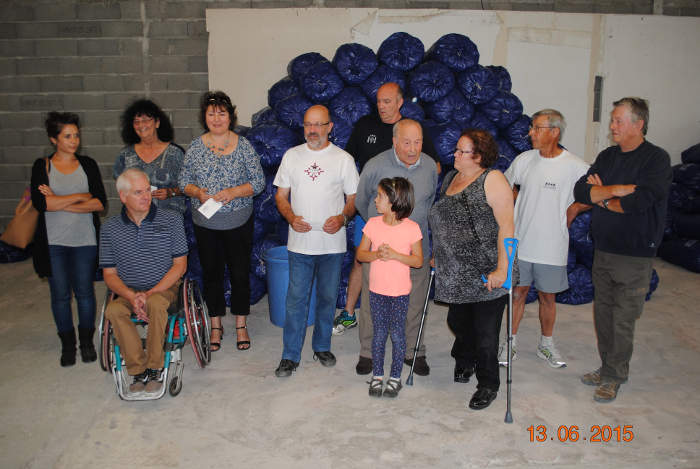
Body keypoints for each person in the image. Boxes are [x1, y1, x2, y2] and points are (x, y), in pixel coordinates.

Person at [573, 97, 671, 403]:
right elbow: (580, 190)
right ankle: (605, 367)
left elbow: (640, 202)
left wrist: (599, 194)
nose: (612, 126)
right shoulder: (608, 156)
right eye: (613, 120)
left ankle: (615, 375)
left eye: (618, 120)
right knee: (603, 313)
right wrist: (613, 192)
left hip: (634, 254)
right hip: (603, 249)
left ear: (638, 124)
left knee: (623, 317)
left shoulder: (655, 160)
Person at [333, 82, 440, 335]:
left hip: (410, 224)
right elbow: (352, 171)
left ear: (400, 103)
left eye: (388, 101)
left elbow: (433, 170)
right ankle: (350, 314)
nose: (382, 106)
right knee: (365, 264)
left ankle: (406, 336)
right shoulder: (365, 126)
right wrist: (373, 216)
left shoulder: (413, 130)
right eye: (379, 101)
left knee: (407, 272)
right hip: (373, 214)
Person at [429, 128, 515, 410]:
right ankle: (464, 358)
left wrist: (503, 269)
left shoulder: (493, 179)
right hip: (455, 272)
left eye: (461, 151)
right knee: (458, 323)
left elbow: (507, 226)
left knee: (486, 334)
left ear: (478, 156)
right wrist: (438, 253)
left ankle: (488, 383)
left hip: (488, 271)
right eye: (456, 149)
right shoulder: (452, 178)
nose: (454, 154)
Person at [273, 104, 359, 377]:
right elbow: (280, 196)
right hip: (300, 244)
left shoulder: (343, 159)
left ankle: (322, 345)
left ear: (330, 127)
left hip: (332, 245)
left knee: (326, 297)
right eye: (308, 124)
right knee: (295, 299)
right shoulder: (291, 156)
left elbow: (354, 198)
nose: (312, 130)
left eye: (318, 124)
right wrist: (290, 217)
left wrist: (343, 218)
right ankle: (289, 355)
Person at [499, 109, 590, 368]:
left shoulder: (575, 166)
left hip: (552, 247)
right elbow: (505, 185)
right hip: (523, 243)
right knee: (517, 294)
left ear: (554, 132)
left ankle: (546, 345)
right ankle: (510, 341)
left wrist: (574, 208)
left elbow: (596, 192)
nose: (531, 133)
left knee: (548, 298)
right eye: (532, 127)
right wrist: (518, 203)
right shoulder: (524, 160)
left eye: (537, 128)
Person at [180, 91, 265, 351]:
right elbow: (183, 182)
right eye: (211, 113)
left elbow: (259, 182)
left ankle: (240, 323)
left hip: (238, 221)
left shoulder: (243, 146)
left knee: (240, 273)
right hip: (206, 224)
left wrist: (233, 192)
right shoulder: (195, 147)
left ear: (230, 116)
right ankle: (215, 324)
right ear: (204, 117)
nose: (216, 118)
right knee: (212, 273)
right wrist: (199, 193)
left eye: (222, 113)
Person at [354, 119, 438, 376]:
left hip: (414, 247)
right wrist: (378, 230)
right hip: (381, 251)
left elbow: (430, 201)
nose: (413, 149)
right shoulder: (375, 165)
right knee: (371, 300)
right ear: (394, 141)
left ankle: (413, 351)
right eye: (406, 142)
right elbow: (361, 201)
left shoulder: (429, 168)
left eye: (418, 142)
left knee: (414, 301)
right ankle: (367, 352)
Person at [30, 112, 107, 367]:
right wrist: (80, 196)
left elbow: (99, 203)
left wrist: (60, 200)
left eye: (76, 135)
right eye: (67, 136)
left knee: (85, 293)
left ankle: (86, 342)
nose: (74, 140)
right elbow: (43, 204)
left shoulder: (88, 164)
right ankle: (67, 344)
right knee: (60, 295)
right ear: (54, 139)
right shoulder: (42, 166)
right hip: (54, 243)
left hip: (84, 240)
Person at [101, 169, 188, 394]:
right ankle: (138, 369)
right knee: (113, 311)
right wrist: (132, 296)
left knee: (156, 304)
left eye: (147, 190)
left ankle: (155, 366)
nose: (146, 196)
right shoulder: (110, 228)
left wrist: (148, 295)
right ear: (123, 196)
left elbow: (180, 266)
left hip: (164, 288)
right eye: (138, 192)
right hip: (129, 290)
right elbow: (109, 274)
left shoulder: (172, 220)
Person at [356, 177, 422, 398]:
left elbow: (418, 261)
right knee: (379, 333)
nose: (375, 200)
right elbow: (360, 254)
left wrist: (395, 255)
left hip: (400, 293)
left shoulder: (412, 228)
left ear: (394, 201)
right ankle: (377, 375)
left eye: (380, 196)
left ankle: (395, 377)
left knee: (397, 334)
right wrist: (377, 254)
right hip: (377, 291)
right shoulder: (373, 224)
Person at [114, 98, 186, 214]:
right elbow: (122, 190)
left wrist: (171, 192)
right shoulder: (125, 156)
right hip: (137, 221)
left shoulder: (175, 153)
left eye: (146, 120)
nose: (141, 125)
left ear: (157, 123)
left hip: (169, 221)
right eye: (136, 122)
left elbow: (189, 187)